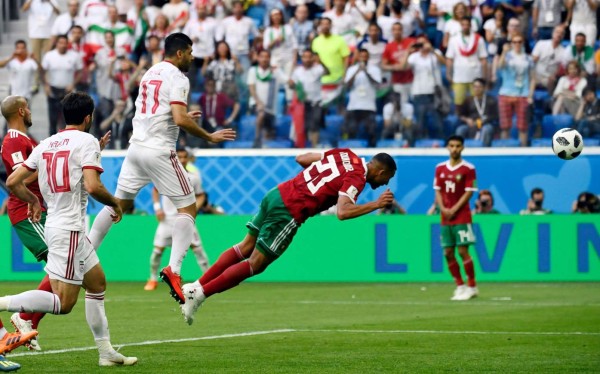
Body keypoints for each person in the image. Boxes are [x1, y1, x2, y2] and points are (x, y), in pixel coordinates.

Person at [87, 33, 236, 305]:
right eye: (190, 52)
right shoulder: (179, 77)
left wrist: (178, 119)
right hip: (158, 150)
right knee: (188, 208)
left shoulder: (150, 72)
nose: (192, 57)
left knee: (117, 205)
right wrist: (210, 136)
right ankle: (174, 269)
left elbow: (158, 112)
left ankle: (84, 253)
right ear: (179, 53)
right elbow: (178, 116)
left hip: (136, 148)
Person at [179, 149, 397, 324]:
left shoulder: (345, 154)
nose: (386, 183)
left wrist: (318, 181)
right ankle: (199, 295)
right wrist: (376, 204)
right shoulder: (357, 177)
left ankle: (196, 285)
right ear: (381, 172)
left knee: (245, 246)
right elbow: (343, 212)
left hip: (277, 193)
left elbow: (301, 158)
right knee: (256, 263)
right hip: (291, 209)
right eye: (388, 177)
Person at [2, 92, 137, 366]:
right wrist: (115, 203)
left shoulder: (48, 143)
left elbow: (14, 180)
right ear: (88, 118)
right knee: (63, 304)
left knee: (97, 284)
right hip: (70, 229)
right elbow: (92, 186)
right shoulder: (86, 141)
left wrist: (32, 202)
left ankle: (105, 353)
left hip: (58, 225)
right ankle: (4, 303)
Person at [145, 148, 210, 290]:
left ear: (188, 159)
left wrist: (195, 209)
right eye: (179, 156)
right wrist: (157, 208)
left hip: (186, 219)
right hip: (167, 220)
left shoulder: (194, 177)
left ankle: (208, 278)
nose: (182, 159)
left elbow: (201, 195)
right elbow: (155, 190)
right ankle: (152, 279)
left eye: (184, 157)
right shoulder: (165, 175)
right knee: (157, 251)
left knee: (198, 250)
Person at [434, 135, 478, 301]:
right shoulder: (440, 168)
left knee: (462, 250)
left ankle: (472, 286)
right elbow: (437, 190)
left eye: (458, 146)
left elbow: (469, 192)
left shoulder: (468, 168)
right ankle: (460, 285)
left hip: (462, 215)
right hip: (445, 216)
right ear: (447, 147)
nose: (454, 149)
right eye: (451, 146)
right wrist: (443, 208)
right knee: (448, 252)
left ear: (463, 148)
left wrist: (454, 209)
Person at [497, 32, 535, 146]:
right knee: (505, 126)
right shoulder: (507, 56)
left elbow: (533, 78)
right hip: (506, 93)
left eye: (519, 41)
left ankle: (522, 149)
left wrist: (530, 95)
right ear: (511, 43)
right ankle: (505, 148)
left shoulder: (528, 58)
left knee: (523, 126)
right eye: (514, 42)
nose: (517, 44)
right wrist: (504, 51)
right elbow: (500, 66)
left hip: (522, 94)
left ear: (523, 43)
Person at [41, 34, 83, 136]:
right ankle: (51, 144)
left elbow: (81, 72)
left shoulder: (74, 56)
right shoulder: (49, 56)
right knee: (53, 121)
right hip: (53, 90)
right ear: (56, 43)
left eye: (65, 43)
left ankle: (67, 143)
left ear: (68, 44)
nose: (63, 45)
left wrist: (73, 84)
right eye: (61, 43)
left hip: (68, 92)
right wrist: (46, 85)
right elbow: (42, 71)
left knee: (67, 121)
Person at [445, 17, 488, 114]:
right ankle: (459, 121)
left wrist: (485, 77)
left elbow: (483, 59)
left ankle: (477, 121)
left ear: (471, 26)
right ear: (460, 26)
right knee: (458, 101)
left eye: (467, 25)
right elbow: (449, 58)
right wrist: (448, 73)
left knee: (477, 101)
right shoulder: (454, 39)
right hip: (459, 76)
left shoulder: (479, 39)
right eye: (463, 25)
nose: (465, 27)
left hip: (475, 76)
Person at [247, 50, 288, 147]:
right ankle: (256, 140)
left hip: (271, 109)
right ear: (258, 58)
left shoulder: (275, 71)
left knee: (269, 135)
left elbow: (288, 82)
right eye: (262, 56)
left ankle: (263, 143)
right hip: (256, 105)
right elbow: (251, 88)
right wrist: (258, 102)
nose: (264, 59)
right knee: (261, 114)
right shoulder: (253, 70)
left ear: (270, 59)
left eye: (267, 57)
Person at [288, 49, 329, 146]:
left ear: (312, 58)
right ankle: (304, 148)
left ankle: (314, 147)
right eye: (304, 57)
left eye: (309, 57)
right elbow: (291, 85)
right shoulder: (298, 71)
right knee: (304, 127)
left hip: (316, 103)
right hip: (302, 104)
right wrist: (291, 84)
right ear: (302, 58)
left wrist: (321, 61)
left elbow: (327, 72)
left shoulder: (318, 68)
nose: (307, 59)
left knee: (315, 125)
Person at [343, 49, 382, 147]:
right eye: (361, 56)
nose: (363, 58)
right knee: (351, 129)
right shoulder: (352, 69)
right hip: (354, 105)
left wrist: (366, 72)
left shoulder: (374, 69)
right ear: (358, 57)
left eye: (365, 56)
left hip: (369, 105)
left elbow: (377, 84)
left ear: (368, 57)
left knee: (371, 131)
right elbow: (347, 85)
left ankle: (372, 150)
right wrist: (357, 71)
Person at [456, 78, 498, 147]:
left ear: (484, 88)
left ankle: (485, 151)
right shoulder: (468, 100)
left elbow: (495, 115)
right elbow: (461, 115)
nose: (477, 89)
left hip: (486, 124)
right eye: (475, 86)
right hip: (471, 125)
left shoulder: (491, 100)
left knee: (487, 129)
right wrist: (467, 120)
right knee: (460, 130)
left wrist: (483, 121)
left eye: (479, 87)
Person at [381, 22, 415, 103]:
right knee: (402, 105)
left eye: (399, 29)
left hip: (412, 79)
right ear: (392, 31)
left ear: (402, 31)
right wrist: (394, 67)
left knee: (416, 104)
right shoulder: (389, 46)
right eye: (394, 30)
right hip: (398, 81)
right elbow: (383, 65)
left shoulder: (411, 42)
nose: (397, 32)